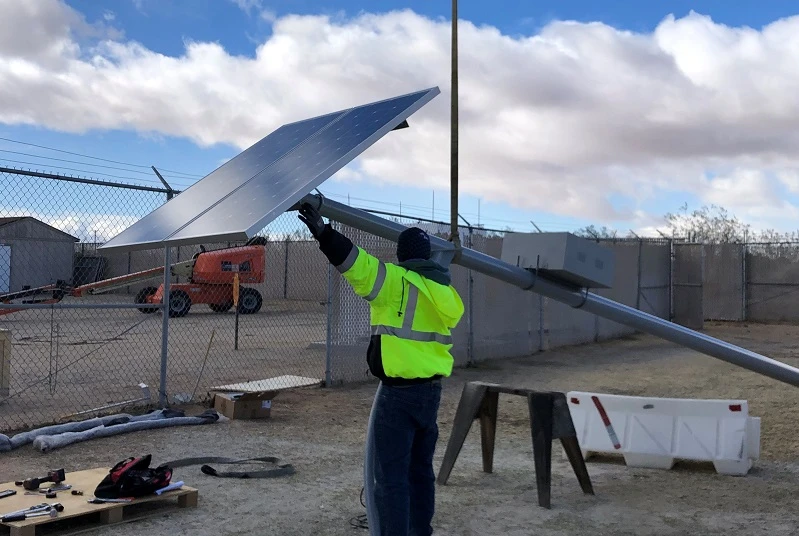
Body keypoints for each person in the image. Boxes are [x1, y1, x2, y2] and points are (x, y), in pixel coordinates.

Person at [298, 202, 464, 536]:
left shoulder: (396, 282)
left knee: (391, 478)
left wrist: (324, 233)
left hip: (399, 396)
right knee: (420, 473)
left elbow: (355, 263)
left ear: (403, 256)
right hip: (431, 394)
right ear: (429, 257)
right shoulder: (445, 293)